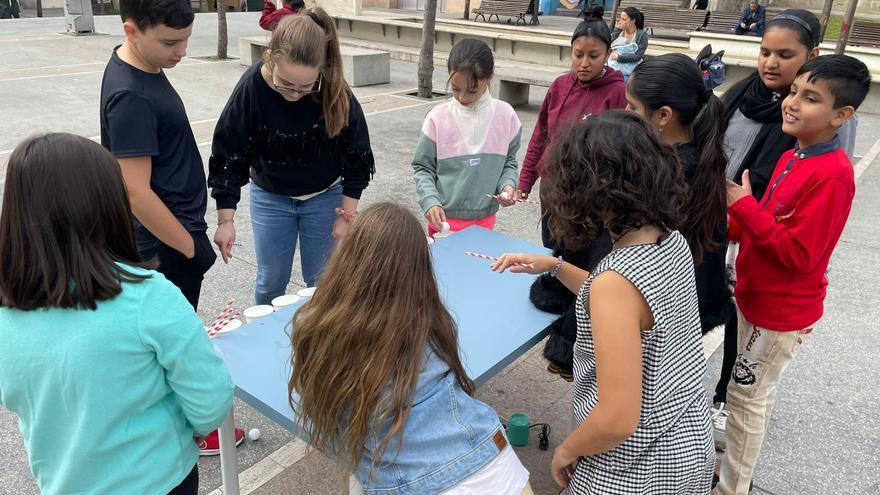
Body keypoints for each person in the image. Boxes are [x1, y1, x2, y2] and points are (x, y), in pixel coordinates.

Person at [0, 134, 234, 495]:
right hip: (162, 479)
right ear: (108, 206)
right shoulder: (148, 295)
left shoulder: (8, 309)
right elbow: (211, 398)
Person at [493, 111, 714, 493]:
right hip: (686, 443)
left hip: (634, 466)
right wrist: (556, 265)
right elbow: (627, 307)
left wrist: (567, 449)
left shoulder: (616, 280)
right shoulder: (669, 240)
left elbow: (616, 418)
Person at [289, 203, 533, 495]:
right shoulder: (431, 320)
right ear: (421, 267)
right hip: (497, 463)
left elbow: (331, 417)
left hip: (411, 483)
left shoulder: (315, 328)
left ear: (349, 256)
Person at [715, 54, 870, 495]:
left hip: (778, 313)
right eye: (795, 92)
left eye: (811, 98)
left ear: (842, 116)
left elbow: (800, 255)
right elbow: (769, 219)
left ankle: (732, 488)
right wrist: (727, 220)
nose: (793, 103)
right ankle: (732, 478)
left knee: (746, 400)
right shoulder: (794, 154)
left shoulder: (833, 175)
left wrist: (742, 206)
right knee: (752, 393)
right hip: (755, 297)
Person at [100, 0, 242, 455]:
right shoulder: (131, 95)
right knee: (171, 343)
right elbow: (134, 191)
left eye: (185, 38)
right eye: (169, 41)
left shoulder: (145, 68)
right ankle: (191, 431)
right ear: (131, 30)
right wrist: (187, 247)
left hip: (173, 234)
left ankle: (180, 424)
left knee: (168, 338)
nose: (181, 51)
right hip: (162, 244)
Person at [208, 10, 375, 304]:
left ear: (320, 70)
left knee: (323, 281)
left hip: (325, 196)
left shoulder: (333, 89)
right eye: (286, 84)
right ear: (270, 56)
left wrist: (348, 215)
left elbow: (357, 154)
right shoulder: (251, 89)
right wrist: (226, 219)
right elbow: (228, 154)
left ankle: (322, 341)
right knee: (271, 280)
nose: (295, 94)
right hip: (271, 196)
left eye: (305, 87)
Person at [518, 4, 625, 382]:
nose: (583, 63)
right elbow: (540, 137)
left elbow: (619, 155)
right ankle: (559, 318)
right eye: (577, 54)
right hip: (554, 193)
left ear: (608, 54)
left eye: (593, 56)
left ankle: (573, 348)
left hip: (590, 202)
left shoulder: (617, 93)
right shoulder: (560, 86)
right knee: (557, 252)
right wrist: (525, 181)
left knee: (585, 267)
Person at [626, 53, 733, 334]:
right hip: (683, 311)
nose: (626, 112)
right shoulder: (703, 161)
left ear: (663, 115)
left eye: (633, 107)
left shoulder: (663, 178)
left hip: (652, 315)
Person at [412, 39, 521, 237]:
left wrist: (508, 186)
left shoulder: (506, 116)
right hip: (442, 220)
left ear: (489, 77)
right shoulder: (438, 117)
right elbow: (423, 167)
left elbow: (509, 163)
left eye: (472, 90)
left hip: (485, 220)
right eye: (455, 88)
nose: (462, 97)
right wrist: (430, 201)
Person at [609, 7, 648, 81]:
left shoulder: (642, 35)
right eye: (620, 19)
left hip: (631, 70)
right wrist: (617, 31)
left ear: (633, 20)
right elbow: (607, 45)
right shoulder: (619, 32)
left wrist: (619, 58)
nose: (621, 22)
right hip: (614, 67)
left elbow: (637, 57)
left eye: (624, 19)